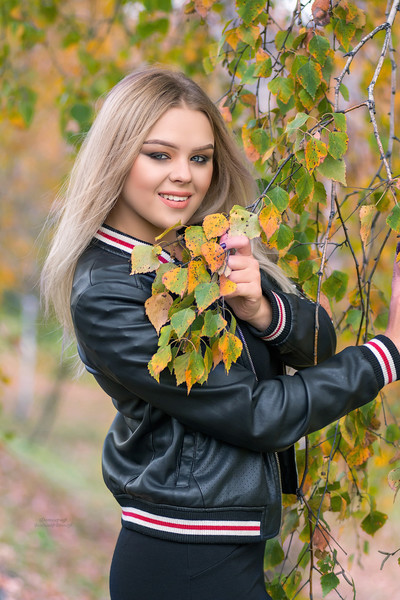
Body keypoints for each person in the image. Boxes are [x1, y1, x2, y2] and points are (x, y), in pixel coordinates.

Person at [41, 66, 400, 600]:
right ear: (116, 155)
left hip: (218, 549)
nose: (184, 175)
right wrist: (387, 354)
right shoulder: (106, 291)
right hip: (181, 560)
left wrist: (261, 310)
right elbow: (257, 414)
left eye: (200, 158)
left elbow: (319, 348)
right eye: (159, 154)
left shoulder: (199, 251)